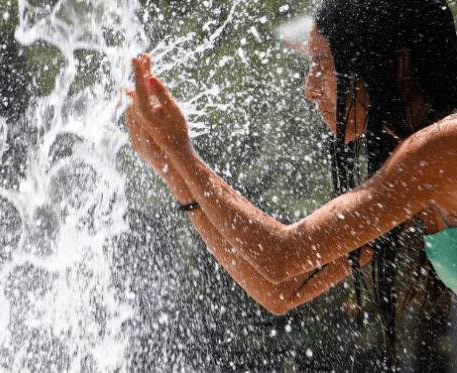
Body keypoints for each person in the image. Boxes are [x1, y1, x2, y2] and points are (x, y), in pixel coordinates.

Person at [125, 0, 457, 363]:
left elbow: (281, 255)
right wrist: (172, 168)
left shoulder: (443, 146)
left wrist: (180, 149)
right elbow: (281, 290)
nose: (309, 89)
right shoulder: (416, 178)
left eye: (321, 63)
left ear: (396, 62)